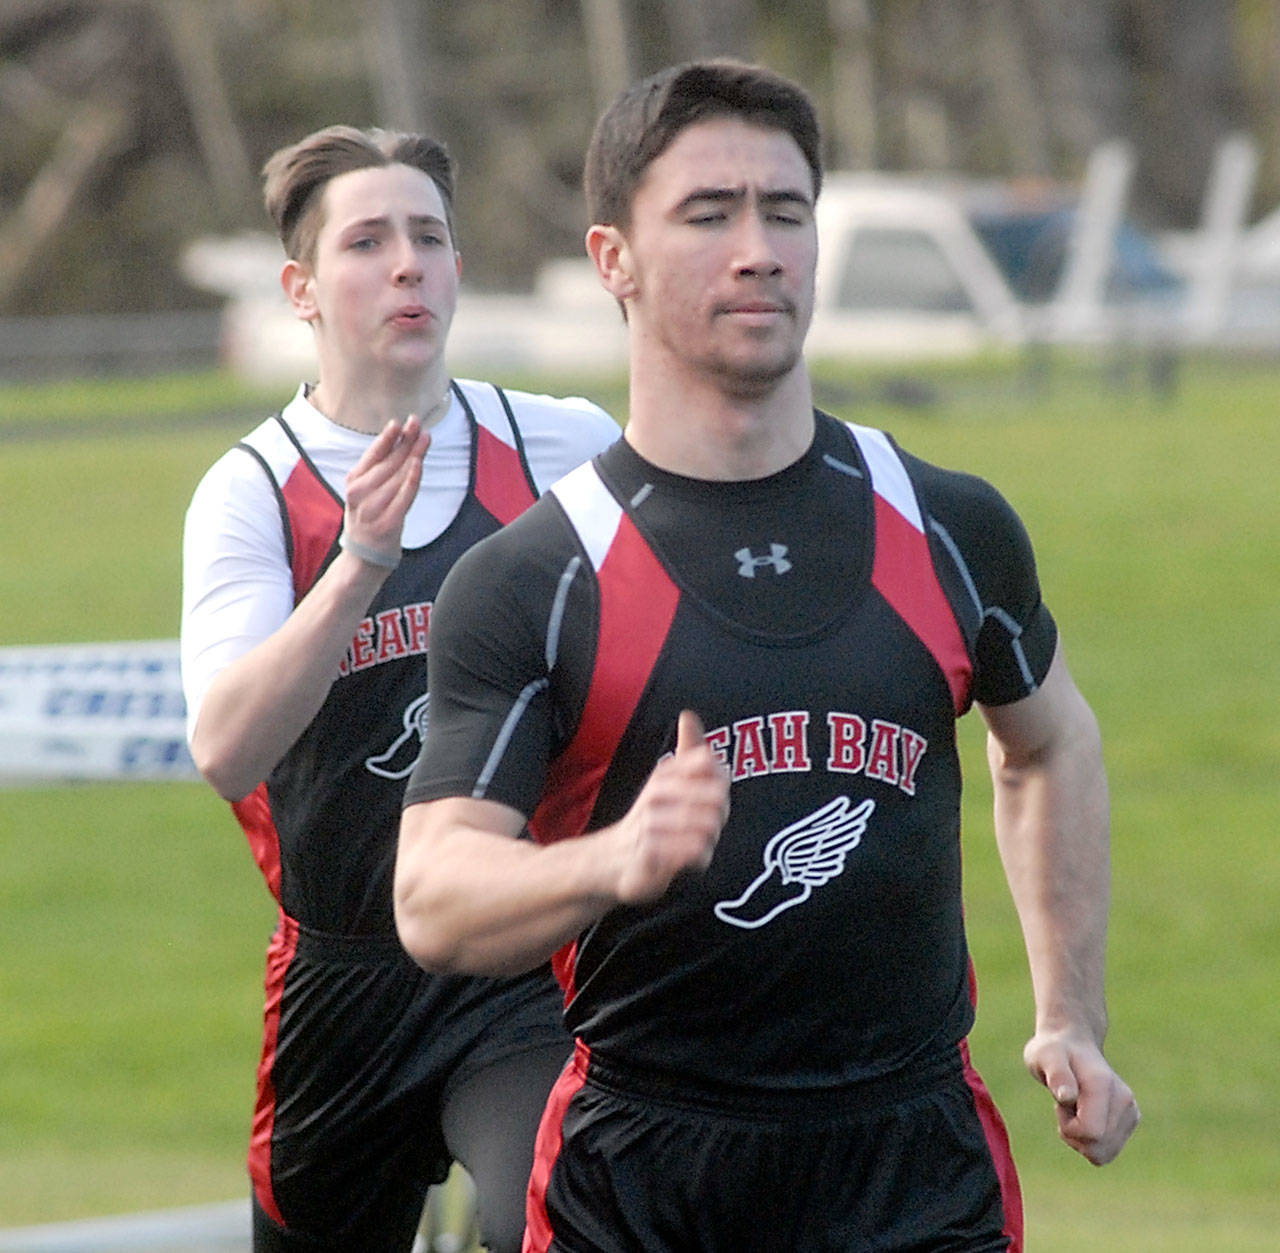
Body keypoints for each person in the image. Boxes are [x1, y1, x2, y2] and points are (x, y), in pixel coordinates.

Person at [394, 60, 1139, 1253]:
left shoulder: (944, 523)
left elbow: (1047, 744)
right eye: (708, 214)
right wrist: (613, 857)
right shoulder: (538, 577)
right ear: (612, 259)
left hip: (913, 1164)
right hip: (643, 1174)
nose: (758, 251)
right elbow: (433, 896)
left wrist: (1071, 1013)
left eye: (785, 212)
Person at [179, 124, 619, 1252]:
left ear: (459, 269)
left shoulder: (563, 446)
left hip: (519, 960)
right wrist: (358, 564)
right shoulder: (253, 489)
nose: (407, 264)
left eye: (428, 237)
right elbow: (226, 749)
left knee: (550, 1212)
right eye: (367, 241)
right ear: (302, 289)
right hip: (343, 977)